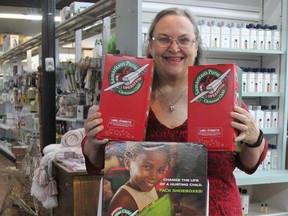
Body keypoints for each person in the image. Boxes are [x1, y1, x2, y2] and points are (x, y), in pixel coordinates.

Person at [82, 7, 268, 215]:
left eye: (184, 40)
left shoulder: (222, 97)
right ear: (151, 45)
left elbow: (249, 164)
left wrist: (254, 138)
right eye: (164, 39)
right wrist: (93, 137)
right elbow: (97, 161)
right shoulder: (126, 95)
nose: (174, 47)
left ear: (196, 46)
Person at [105, 143, 170, 216]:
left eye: (160, 170)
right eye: (147, 167)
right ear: (128, 163)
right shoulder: (123, 200)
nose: (154, 176)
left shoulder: (149, 186)